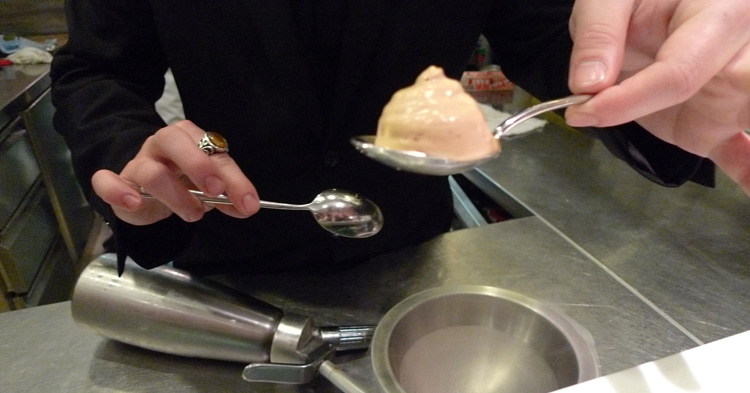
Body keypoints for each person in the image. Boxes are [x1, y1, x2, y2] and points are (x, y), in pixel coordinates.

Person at [50, 0, 750, 276]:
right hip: (226, 246)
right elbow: (97, 70)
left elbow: (545, 34)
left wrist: (660, 64)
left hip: (408, 256)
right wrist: (137, 151)